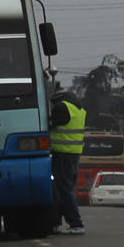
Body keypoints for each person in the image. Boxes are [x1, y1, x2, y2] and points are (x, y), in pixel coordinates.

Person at [49, 87, 86, 234]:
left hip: (62, 153)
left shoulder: (62, 107)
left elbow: (51, 125)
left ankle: (76, 223)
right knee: (61, 188)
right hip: (73, 154)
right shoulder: (78, 109)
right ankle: (56, 222)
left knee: (63, 188)